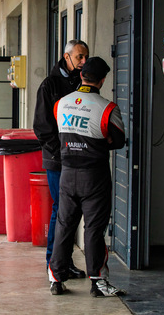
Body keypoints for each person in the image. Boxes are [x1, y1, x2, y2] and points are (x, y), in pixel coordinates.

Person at [48, 56, 126, 297]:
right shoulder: (107, 107)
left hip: (67, 174)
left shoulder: (60, 104)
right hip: (95, 176)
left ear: (81, 75)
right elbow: (119, 140)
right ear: (102, 80)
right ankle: (98, 282)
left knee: (64, 226)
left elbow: (57, 132)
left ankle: (56, 279)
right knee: (94, 229)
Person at [33, 40, 89, 277]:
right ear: (66, 57)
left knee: (73, 213)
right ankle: (53, 264)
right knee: (61, 211)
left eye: (86, 57)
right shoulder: (50, 85)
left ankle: (65, 262)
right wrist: (61, 152)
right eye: (79, 57)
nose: (84, 61)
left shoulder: (83, 84)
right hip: (58, 160)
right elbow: (42, 128)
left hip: (80, 158)